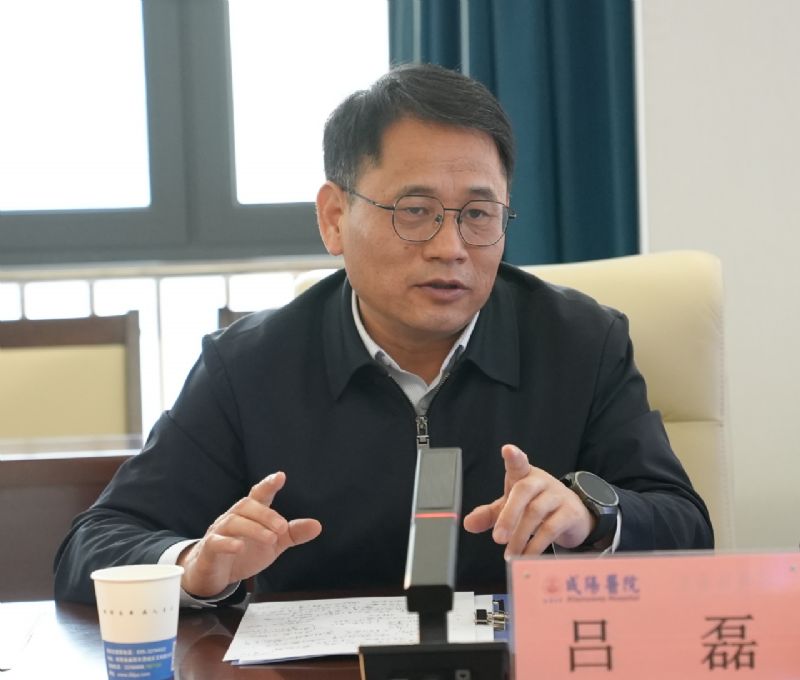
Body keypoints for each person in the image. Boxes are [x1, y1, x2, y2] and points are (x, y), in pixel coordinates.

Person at [54, 63, 713, 605]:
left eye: (478, 213)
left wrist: (591, 517)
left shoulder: (581, 343)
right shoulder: (249, 366)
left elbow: (687, 528)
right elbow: (94, 544)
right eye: (415, 211)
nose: (451, 247)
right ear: (334, 218)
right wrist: (196, 564)